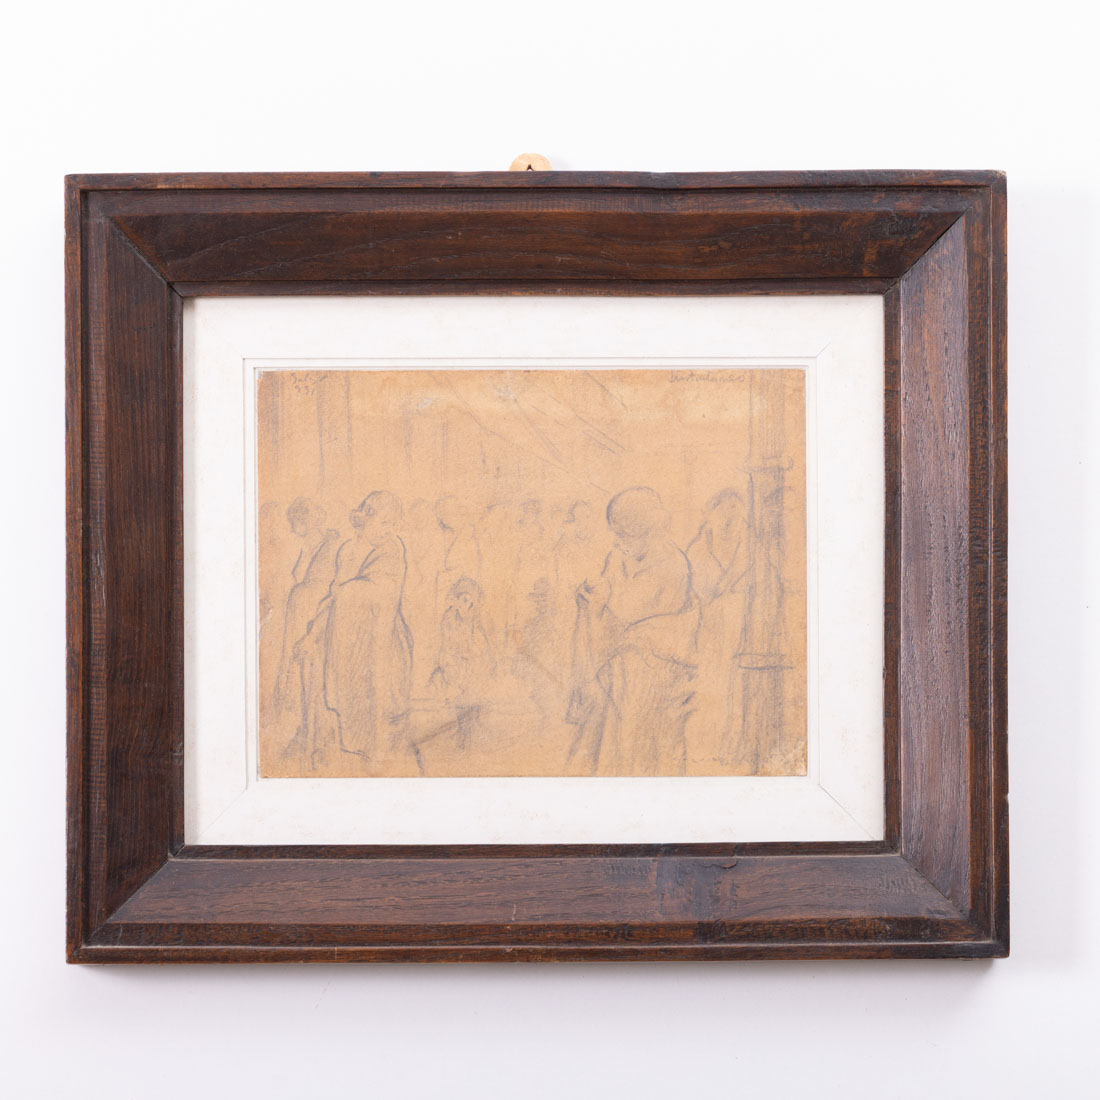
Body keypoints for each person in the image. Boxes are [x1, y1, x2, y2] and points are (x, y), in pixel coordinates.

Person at [565, 487, 700, 775]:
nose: (617, 542)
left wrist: (598, 607)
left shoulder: (674, 566)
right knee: (605, 748)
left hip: (654, 679)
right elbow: (612, 608)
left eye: (624, 535)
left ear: (648, 532)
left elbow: (631, 617)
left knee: (642, 751)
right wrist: (590, 598)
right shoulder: (617, 557)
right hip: (617, 674)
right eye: (616, 534)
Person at [295, 491, 414, 771]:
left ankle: (376, 752)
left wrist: (346, 593)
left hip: (383, 637)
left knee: (374, 680)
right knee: (317, 658)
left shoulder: (392, 548)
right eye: (384, 523)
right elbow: (332, 597)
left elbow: (384, 591)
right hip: (344, 635)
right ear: (366, 518)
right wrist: (312, 633)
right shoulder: (347, 550)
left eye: (392, 524)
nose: (389, 530)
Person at [686, 489, 752, 757]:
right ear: (710, 513)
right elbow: (700, 591)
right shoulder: (698, 549)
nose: (729, 518)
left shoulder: (750, 546)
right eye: (723, 510)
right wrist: (721, 590)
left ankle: (732, 748)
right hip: (710, 630)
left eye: (735, 512)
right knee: (709, 686)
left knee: (738, 689)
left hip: (743, 628)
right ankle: (705, 747)